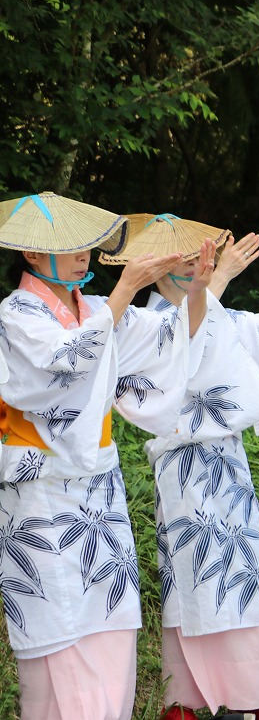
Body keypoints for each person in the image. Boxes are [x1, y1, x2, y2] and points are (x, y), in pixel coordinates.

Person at [102, 215, 259, 720]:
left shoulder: (214, 312)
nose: (191, 271)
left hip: (229, 463)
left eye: (195, 262)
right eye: (180, 264)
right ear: (155, 270)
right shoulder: (144, 323)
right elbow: (180, 342)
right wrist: (218, 283)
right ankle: (184, 701)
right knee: (190, 581)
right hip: (182, 467)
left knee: (244, 578)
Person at [0, 193, 213, 720]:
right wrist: (124, 289)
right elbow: (61, 362)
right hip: (41, 489)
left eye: (87, 244)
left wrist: (201, 289)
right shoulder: (16, 314)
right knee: (58, 629)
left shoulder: (93, 307)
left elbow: (169, 339)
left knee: (111, 622)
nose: (85, 254)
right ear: (30, 256)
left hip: (98, 483)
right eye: (70, 247)